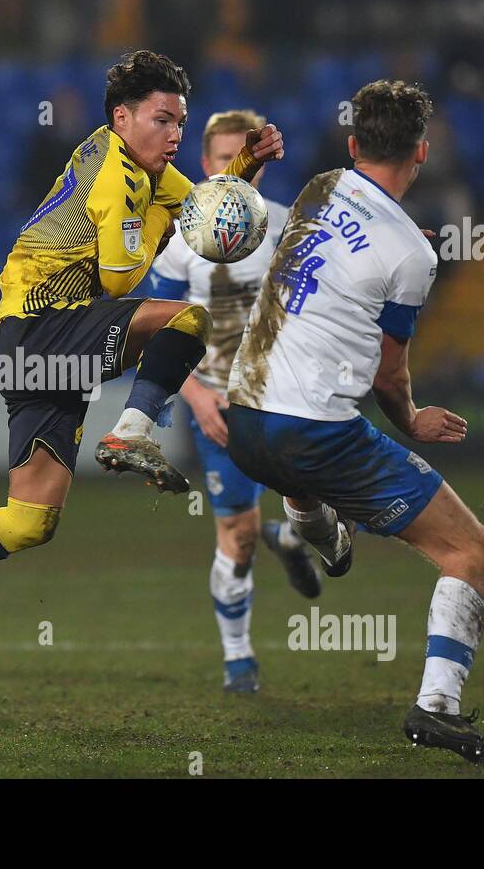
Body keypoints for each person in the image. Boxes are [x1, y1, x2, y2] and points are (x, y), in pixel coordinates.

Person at [223, 80, 484, 766]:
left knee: (300, 477)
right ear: (422, 151)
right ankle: (435, 709)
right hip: (314, 431)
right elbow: (389, 374)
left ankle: (323, 538)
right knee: (474, 552)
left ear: (353, 145)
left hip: (244, 422)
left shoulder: (320, 187)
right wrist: (412, 420)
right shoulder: (413, 255)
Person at [0, 50, 284, 569]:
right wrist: (160, 223)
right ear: (122, 118)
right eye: (163, 120)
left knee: (28, 520)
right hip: (46, 326)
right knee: (188, 319)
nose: (175, 136)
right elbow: (120, 279)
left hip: (27, 351)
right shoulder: (115, 176)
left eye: (180, 123)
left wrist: (247, 163)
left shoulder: (138, 163)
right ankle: (130, 432)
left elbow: (199, 210)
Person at [149, 109, 320, 694]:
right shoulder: (181, 237)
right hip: (219, 401)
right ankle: (238, 657)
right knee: (239, 538)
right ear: (205, 165)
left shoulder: (288, 226)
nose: (234, 170)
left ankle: (295, 535)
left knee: (336, 507)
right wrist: (193, 396)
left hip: (290, 395)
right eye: (224, 160)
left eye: (244, 159)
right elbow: (157, 329)